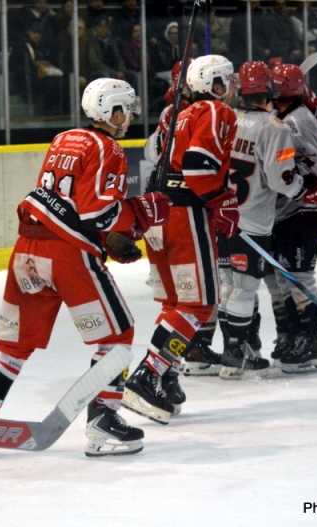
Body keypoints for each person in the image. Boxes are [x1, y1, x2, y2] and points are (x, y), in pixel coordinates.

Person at [0, 79, 171, 458]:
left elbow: (67, 202)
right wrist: (138, 213)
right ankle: (103, 421)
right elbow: (95, 210)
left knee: (12, 344)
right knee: (117, 335)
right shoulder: (109, 147)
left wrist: (108, 239)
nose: (130, 115)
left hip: (27, 249)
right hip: (67, 257)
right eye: (126, 108)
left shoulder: (64, 139)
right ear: (111, 112)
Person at [122, 55, 238, 424]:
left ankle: (166, 375)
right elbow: (199, 168)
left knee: (176, 303)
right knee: (199, 306)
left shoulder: (176, 113)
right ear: (215, 83)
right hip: (186, 215)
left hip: (160, 213)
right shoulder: (215, 111)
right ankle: (148, 374)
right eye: (227, 80)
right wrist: (224, 203)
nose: (231, 87)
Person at [219, 61, 317, 380]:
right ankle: (240, 353)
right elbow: (281, 179)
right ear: (269, 90)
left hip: (223, 218)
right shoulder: (275, 128)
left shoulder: (227, 121)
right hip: (254, 222)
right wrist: (304, 186)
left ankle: (233, 354)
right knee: (246, 288)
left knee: (228, 286)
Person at [264, 62, 317, 374]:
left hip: (306, 210)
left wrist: (312, 186)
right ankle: (293, 336)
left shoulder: (295, 121)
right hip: (294, 208)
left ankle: (311, 342)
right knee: (282, 276)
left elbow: (313, 164)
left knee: (298, 275)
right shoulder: (296, 114)